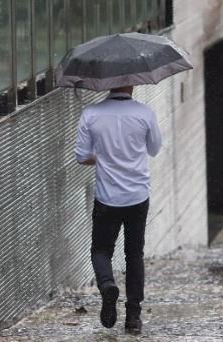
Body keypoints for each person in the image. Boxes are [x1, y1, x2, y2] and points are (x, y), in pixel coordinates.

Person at [75, 86, 162, 334]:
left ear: (107, 83)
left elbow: (81, 156)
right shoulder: (145, 113)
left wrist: (101, 157)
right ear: (132, 84)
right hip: (137, 196)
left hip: (107, 197)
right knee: (134, 254)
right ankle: (133, 318)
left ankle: (107, 286)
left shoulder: (91, 114)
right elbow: (154, 149)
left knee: (101, 250)